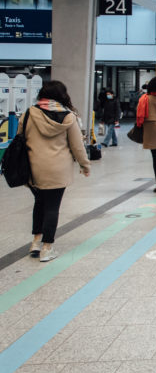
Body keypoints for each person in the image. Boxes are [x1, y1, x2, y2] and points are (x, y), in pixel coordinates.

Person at [24, 81, 90, 262]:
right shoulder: (69, 117)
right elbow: (77, 146)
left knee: (39, 203)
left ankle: (36, 241)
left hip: (33, 167)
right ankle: (47, 248)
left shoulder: (30, 113)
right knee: (52, 207)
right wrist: (85, 165)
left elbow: (20, 137)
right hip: (58, 169)